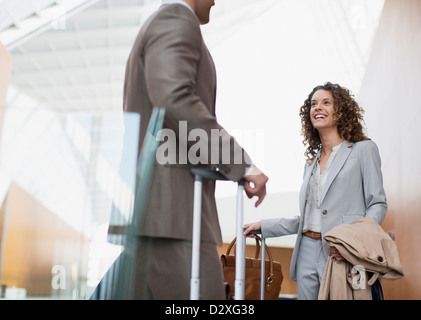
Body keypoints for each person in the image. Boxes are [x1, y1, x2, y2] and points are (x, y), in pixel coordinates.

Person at [115, 0, 268, 300]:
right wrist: (243, 165)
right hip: (177, 215)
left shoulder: (161, 23)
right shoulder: (176, 19)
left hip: (162, 212)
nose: (215, 1)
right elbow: (173, 98)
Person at [244, 82, 387, 300]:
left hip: (341, 252)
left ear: (341, 111)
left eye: (326, 102)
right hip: (306, 253)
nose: (317, 107)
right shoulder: (310, 163)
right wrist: (265, 226)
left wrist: (352, 245)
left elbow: (377, 204)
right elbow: (308, 219)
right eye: (313, 104)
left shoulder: (363, 150)